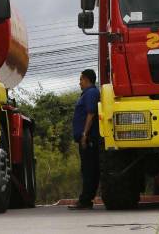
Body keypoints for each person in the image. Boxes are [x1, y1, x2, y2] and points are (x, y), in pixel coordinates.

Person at [68, 69, 100, 210]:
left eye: (81, 79)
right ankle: (86, 199)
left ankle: (85, 200)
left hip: (89, 139)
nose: (79, 82)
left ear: (87, 80)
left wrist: (85, 134)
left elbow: (91, 113)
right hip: (86, 138)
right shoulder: (87, 93)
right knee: (87, 169)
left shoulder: (91, 93)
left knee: (89, 170)